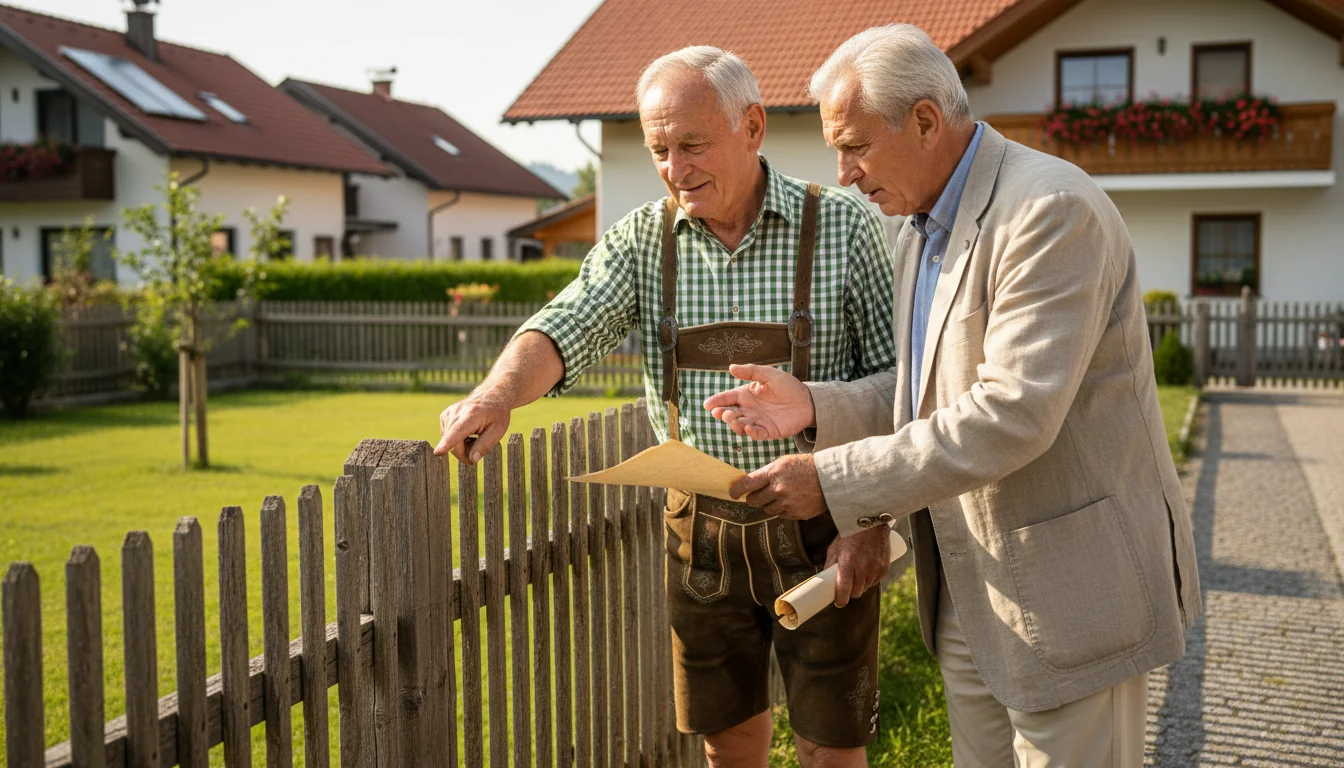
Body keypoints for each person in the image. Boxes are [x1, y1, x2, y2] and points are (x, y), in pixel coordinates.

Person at [704, 24, 1201, 767]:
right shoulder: (919, 231)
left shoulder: (1048, 210)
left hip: (1069, 598)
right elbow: (924, 397)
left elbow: (1011, 413)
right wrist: (814, 406)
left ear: (927, 121)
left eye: (855, 146)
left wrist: (832, 481)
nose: (841, 173)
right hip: (972, 592)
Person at [435, 46, 899, 767]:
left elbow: (895, 385)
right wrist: (497, 395)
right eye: (659, 149)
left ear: (752, 126)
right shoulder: (642, 241)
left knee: (831, 747)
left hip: (824, 522)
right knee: (726, 745)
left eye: (691, 145)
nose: (675, 168)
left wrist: (870, 520)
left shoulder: (843, 225)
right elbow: (569, 323)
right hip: (702, 538)